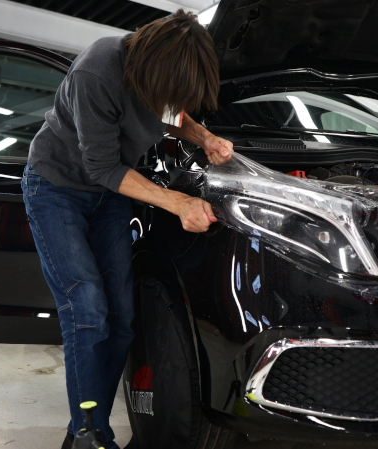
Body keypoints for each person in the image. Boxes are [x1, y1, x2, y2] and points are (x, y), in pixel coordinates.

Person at [20, 11, 233, 449]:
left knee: (121, 318)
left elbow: (173, 114)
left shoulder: (157, 75)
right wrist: (178, 202)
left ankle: (84, 432)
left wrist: (206, 138)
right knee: (86, 310)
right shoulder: (97, 72)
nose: (167, 101)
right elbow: (102, 167)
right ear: (151, 69)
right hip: (56, 190)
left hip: (108, 197)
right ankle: (89, 435)